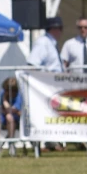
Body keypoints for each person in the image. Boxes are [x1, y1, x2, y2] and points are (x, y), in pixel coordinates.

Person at [27, 16, 65, 152]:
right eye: (60, 28)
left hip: (53, 83)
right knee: (46, 112)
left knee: (52, 112)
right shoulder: (43, 42)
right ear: (54, 29)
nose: (61, 32)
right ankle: (43, 142)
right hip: (46, 84)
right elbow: (32, 64)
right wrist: (44, 77)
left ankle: (52, 141)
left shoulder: (51, 43)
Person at [0, 76, 22, 157]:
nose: (5, 92)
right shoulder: (3, 93)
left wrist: (5, 100)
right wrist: (8, 108)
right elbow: (4, 109)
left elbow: (13, 110)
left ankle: (11, 144)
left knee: (9, 116)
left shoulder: (18, 96)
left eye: (7, 90)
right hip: (4, 117)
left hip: (16, 119)